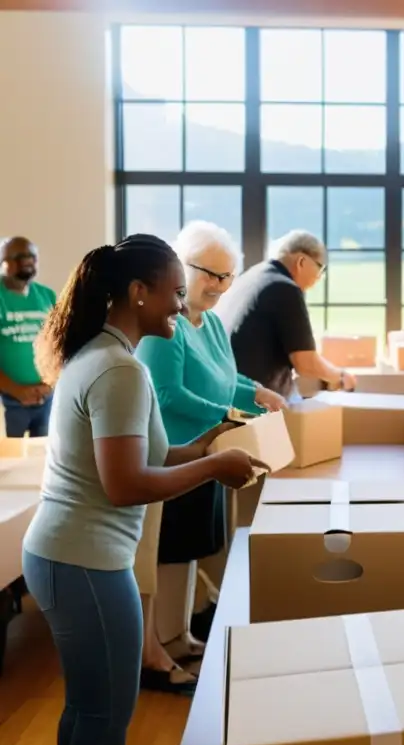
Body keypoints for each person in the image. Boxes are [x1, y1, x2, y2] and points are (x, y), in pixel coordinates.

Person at [22, 234, 268, 745]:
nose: (183, 306)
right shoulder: (121, 370)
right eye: (175, 292)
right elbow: (127, 484)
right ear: (138, 292)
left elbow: (152, 455)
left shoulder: (104, 355)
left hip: (68, 555)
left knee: (87, 709)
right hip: (84, 561)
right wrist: (214, 468)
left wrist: (205, 446)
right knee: (105, 715)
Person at [134, 222, 287, 695]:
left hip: (214, 450)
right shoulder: (168, 325)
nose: (220, 286)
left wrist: (256, 391)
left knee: (197, 547)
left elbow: (226, 378)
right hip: (177, 455)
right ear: (182, 267)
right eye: (211, 275)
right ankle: (160, 642)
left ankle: (180, 636)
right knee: (171, 552)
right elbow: (168, 394)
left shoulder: (213, 323)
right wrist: (229, 414)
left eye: (228, 276)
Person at [214, 230, 355, 396]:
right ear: (301, 262)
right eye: (320, 268)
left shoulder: (251, 277)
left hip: (223, 391)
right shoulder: (285, 288)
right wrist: (340, 376)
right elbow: (306, 364)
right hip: (252, 403)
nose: (319, 278)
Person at [0, 236, 57, 437]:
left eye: (32, 256)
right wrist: (15, 390)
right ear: (3, 260)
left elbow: (59, 345)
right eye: (20, 256)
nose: (27, 260)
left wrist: (50, 383)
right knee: (10, 463)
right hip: (7, 399)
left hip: (45, 397)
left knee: (41, 458)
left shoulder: (48, 296)